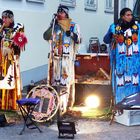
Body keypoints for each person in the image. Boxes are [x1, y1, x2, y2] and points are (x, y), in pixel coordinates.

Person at [43, 5, 81, 110]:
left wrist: (71, 33)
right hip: (56, 59)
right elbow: (45, 36)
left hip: (67, 59)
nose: (59, 14)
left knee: (65, 81)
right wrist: (52, 25)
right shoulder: (55, 26)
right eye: (58, 12)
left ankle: (65, 106)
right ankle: (55, 105)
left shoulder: (74, 25)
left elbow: (79, 39)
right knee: (55, 81)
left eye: (62, 13)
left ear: (66, 14)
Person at [103, 8, 140, 103]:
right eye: (128, 15)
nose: (130, 17)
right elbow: (106, 40)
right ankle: (119, 105)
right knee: (120, 83)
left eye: (131, 15)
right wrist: (111, 35)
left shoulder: (137, 27)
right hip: (120, 63)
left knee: (134, 83)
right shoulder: (114, 27)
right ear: (122, 16)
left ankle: (134, 106)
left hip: (134, 63)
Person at [0, 10, 27, 110]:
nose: (4, 20)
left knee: (10, 81)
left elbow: (21, 43)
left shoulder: (18, 28)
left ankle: (11, 105)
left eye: (6, 18)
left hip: (11, 60)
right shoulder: (1, 29)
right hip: (1, 60)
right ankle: (1, 104)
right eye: (3, 18)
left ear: (11, 18)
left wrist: (13, 44)